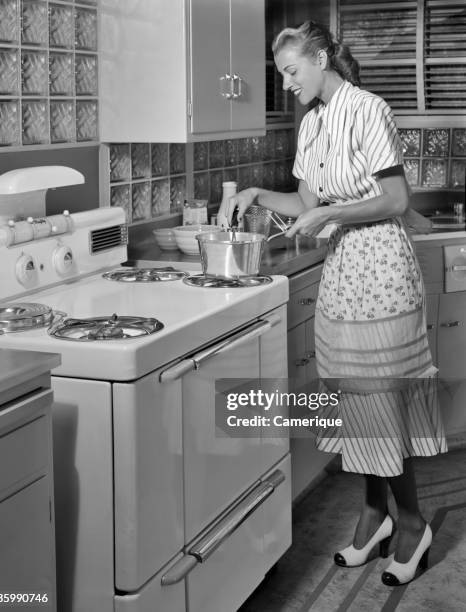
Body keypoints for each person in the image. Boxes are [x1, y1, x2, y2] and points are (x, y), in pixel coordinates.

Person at [219, 20, 447, 587]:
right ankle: (374, 517)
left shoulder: (369, 108)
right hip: (344, 273)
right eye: (281, 75)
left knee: (382, 401)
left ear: (320, 59)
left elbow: (395, 198)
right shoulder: (313, 124)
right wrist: (254, 193)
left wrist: (330, 215)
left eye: (292, 71)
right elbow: (304, 200)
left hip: (383, 271)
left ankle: (413, 524)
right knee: (353, 401)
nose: (287, 82)